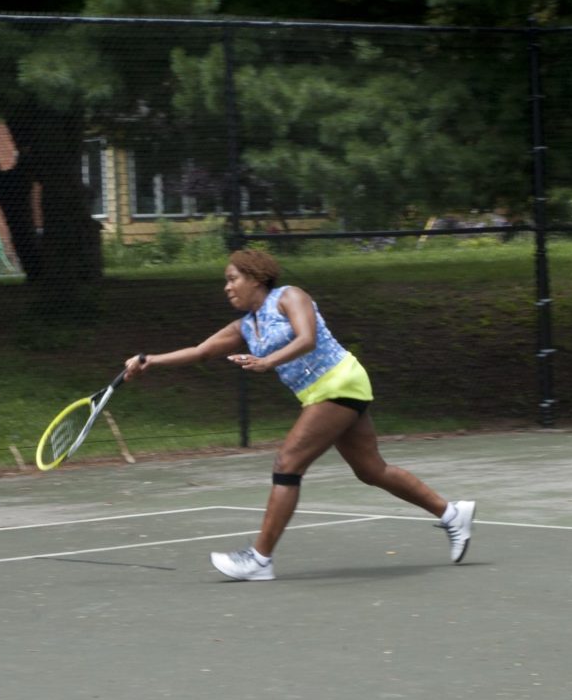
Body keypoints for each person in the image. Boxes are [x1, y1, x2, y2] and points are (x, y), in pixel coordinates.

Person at [123, 249, 475, 582]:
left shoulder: (290, 296)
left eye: (233, 279)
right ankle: (451, 513)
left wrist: (267, 362)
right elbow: (201, 352)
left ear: (256, 278)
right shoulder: (246, 326)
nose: (227, 287)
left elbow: (306, 338)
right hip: (319, 394)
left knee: (287, 463)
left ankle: (259, 559)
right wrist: (150, 360)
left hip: (339, 382)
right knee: (372, 470)